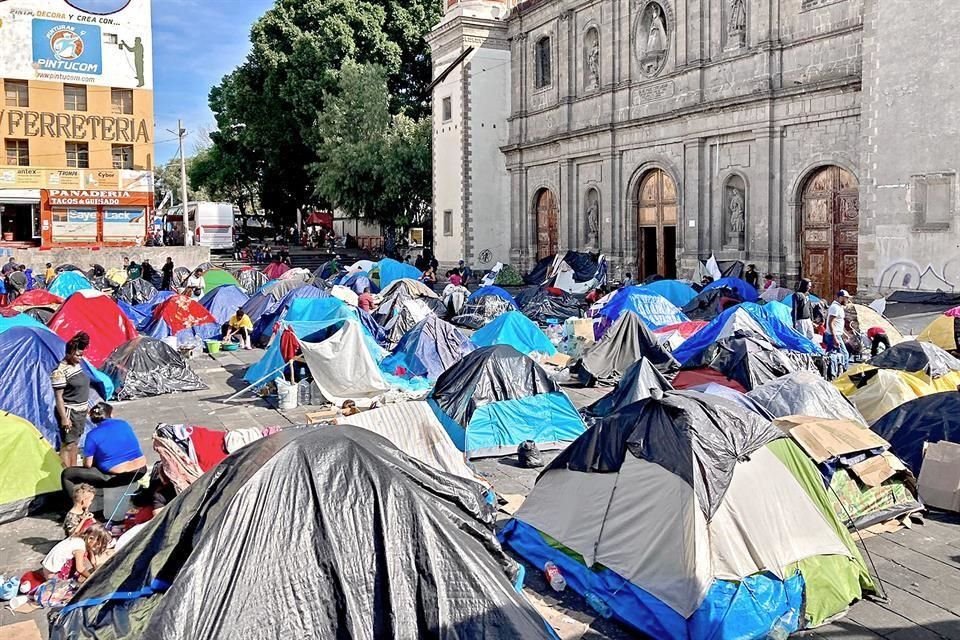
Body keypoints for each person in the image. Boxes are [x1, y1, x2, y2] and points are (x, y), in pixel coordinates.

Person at [61, 403, 148, 498]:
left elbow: (88, 465)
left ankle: (76, 507)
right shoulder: (124, 424)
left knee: (67, 474)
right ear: (111, 414)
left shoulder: (92, 435)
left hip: (116, 477)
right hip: (140, 470)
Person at [52, 333, 91, 468]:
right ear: (68, 354)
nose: (80, 358)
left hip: (80, 411)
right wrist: (64, 418)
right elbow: (58, 397)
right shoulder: (60, 371)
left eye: (81, 355)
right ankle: (65, 472)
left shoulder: (76, 365)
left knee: (75, 443)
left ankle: (73, 469)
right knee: (68, 444)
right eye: (77, 355)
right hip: (70, 411)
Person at [41, 523, 112, 582]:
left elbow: (91, 555)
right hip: (52, 572)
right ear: (90, 538)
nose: (98, 547)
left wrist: (95, 567)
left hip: (48, 566)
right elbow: (80, 569)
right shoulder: (80, 547)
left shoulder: (81, 538)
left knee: (85, 558)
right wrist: (93, 578)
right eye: (98, 544)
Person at [826, 290, 850, 369]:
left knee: (830, 356)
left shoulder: (839, 307)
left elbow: (838, 323)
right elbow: (831, 323)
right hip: (833, 335)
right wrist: (835, 337)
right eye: (846, 298)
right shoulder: (835, 308)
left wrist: (844, 334)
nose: (847, 300)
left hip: (836, 334)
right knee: (844, 354)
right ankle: (845, 373)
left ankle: (831, 373)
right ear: (840, 298)